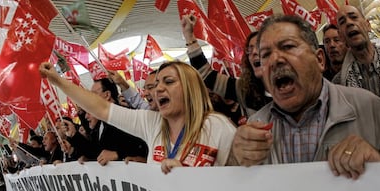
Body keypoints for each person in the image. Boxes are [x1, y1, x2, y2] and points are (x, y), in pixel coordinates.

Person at [227, 14, 380, 180]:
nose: (275, 60)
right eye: (265, 55)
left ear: (319, 60)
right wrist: (236, 159)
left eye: (288, 46)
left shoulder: (372, 109)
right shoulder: (255, 125)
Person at [40, 61, 236, 174]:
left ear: (191, 88)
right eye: (156, 83)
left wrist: (188, 178)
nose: (158, 88)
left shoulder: (218, 126)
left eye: (168, 82)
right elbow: (101, 108)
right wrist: (58, 82)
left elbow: (244, 185)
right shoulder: (152, 122)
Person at [181, 15, 272, 123]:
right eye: (250, 50)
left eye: (259, 46)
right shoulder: (245, 90)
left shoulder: (294, 85)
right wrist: (189, 36)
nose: (254, 53)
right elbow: (207, 75)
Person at [333, 4, 380, 112]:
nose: (349, 23)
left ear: (368, 25)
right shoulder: (339, 85)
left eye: (353, 17)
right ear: (341, 36)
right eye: (342, 22)